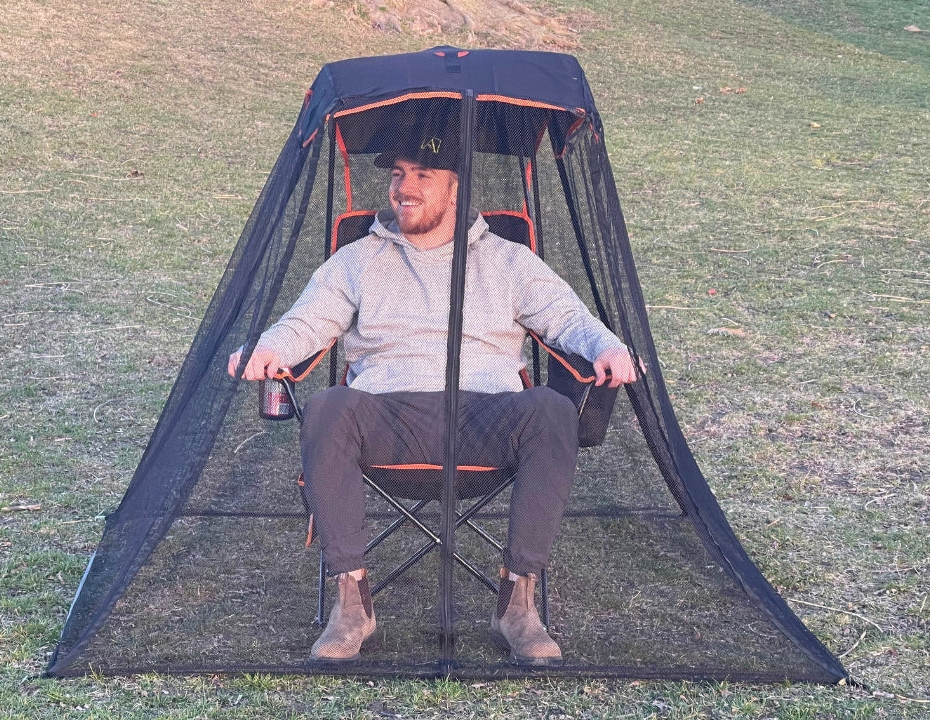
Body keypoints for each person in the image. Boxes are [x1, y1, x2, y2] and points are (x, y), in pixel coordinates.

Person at [227, 132, 637, 666]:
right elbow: (307, 322)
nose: (405, 188)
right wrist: (268, 348)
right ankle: (352, 602)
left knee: (552, 410)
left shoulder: (510, 261)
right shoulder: (355, 260)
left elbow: (567, 319)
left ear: (456, 189)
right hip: (388, 415)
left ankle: (517, 602)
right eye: (398, 174)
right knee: (329, 405)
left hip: (486, 417)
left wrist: (607, 346)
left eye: (423, 176)